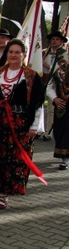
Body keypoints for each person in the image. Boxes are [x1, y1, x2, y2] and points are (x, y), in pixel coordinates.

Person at [0, 38, 45, 208]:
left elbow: (37, 103)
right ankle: (1, 187)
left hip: (20, 125)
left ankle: (4, 194)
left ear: (23, 55)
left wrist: (34, 126)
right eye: (11, 52)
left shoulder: (31, 77)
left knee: (14, 159)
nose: (14, 55)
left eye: (17, 52)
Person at [46, 34, 69, 170]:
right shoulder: (60, 62)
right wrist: (54, 99)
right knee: (60, 130)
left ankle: (66, 160)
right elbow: (50, 84)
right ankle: (63, 157)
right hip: (61, 103)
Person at [41, 30, 68, 141]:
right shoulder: (44, 53)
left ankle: (48, 132)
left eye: (57, 39)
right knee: (39, 106)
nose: (54, 41)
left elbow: (60, 70)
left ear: (61, 41)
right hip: (43, 81)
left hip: (57, 84)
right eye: (52, 39)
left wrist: (47, 65)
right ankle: (39, 128)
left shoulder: (64, 55)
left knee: (52, 109)